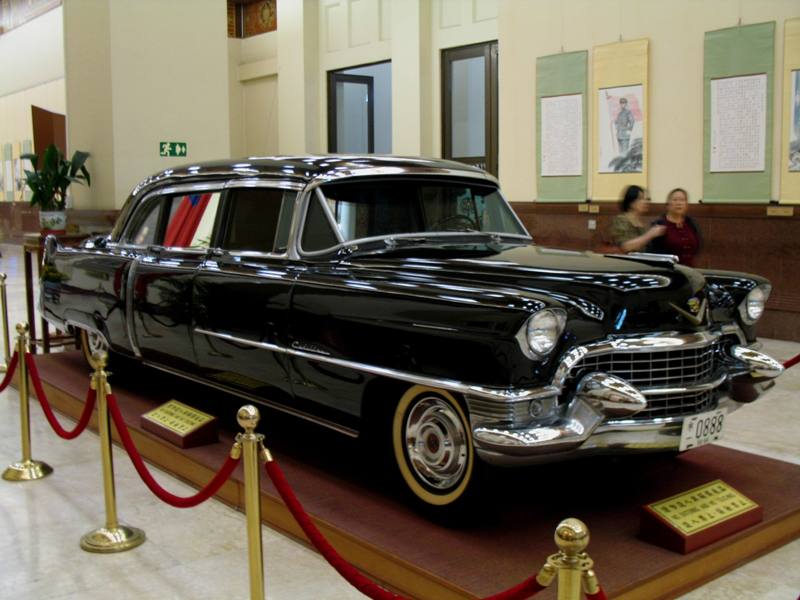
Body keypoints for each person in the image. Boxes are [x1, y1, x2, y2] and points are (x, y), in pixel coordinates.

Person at [648, 188, 701, 267]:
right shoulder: (660, 224)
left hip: (690, 270)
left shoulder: (691, 223)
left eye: (682, 200)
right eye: (675, 200)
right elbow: (653, 252)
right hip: (668, 270)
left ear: (686, 205)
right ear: (668, 204)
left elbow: (698, 245)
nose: (679, 203)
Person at [609, 185, 666, 253]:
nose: (646, 202)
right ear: (631, 202)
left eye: (647, 199)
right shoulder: (621, 220)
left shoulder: (642, 221)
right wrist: (650, 234)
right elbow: (626, 247)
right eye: (641, 198)